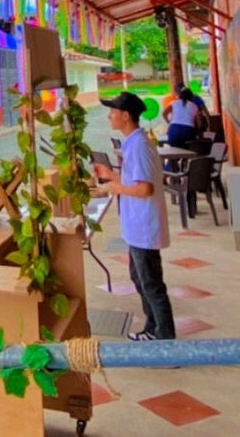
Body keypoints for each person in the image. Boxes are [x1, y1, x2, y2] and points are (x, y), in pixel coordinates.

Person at [95, 91, 175, 341]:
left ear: (126, 116)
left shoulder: (139, 146)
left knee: (151, 284)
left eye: (113, 112)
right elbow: (136, 180)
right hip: (136, 227)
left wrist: (114, 187)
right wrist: (112, 176)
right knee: (139, 279)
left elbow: (144, 188)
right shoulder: (133, 143)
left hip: (143, 227)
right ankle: (153, 329)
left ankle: (165, 340)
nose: (109, 116)